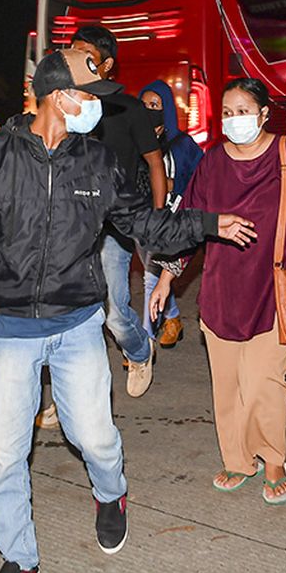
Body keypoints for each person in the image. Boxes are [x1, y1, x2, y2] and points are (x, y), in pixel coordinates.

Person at [0, 48, 256, 573]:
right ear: (58, 96)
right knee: (6, 457)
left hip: (77, 324)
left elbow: (146, 225)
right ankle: (19, 557)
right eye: (89, 95)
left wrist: (207, 224)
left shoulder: (97, 161)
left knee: (94, 437)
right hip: (10, 328)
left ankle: (111, 494)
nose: (96, 106)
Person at [149, 77, 286, 506]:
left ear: (264, 114)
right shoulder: (212, 163)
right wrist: (166, 277)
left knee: (265, 383)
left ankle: (273, 459)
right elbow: (191, 222)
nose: (235, 121)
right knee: (228, 384)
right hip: (221, 288)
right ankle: (237, 460)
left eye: (243, 111)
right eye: (228, 113)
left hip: (273, 287)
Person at [70, 25, 169, 396]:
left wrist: (158, 220)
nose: (77, 61)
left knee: (113, 312)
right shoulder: (67, 104)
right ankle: (71, 394)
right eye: (72, 54)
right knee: (68, 314)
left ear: (107, 64)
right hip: (74, 224)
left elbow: (155, 163)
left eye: (87, 56)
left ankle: (140, 349)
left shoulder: (129, 109)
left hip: (115, 226)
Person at [138, 79, 204, 347]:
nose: (148, 110)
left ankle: (144, 342)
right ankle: (172, 315)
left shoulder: (182, 143)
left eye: (154, 105)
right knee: (154, 271)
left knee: (149, 277)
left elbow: (203, 178)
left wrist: (174, 186)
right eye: (143, 105)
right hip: (140, 219)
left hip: (171, 220)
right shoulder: (134, 140)